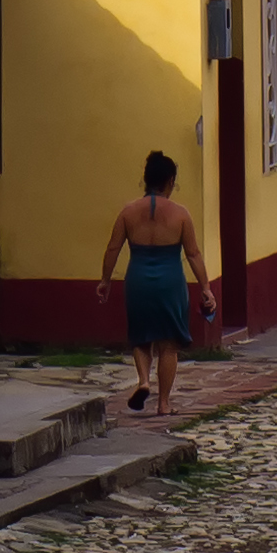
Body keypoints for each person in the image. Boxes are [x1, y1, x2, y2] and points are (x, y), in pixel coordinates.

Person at [101, 151, 213, 419]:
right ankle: (163, 404)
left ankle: (143, 380)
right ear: (170, 181)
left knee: (141, 337)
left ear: (146, 180)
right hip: (170, 282)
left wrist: (105, 281)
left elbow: (113, 247)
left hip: (138, 280)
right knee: (169, 344)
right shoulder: (181, 215)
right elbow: (193, 254)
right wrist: (206, 287)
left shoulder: (128, 212)